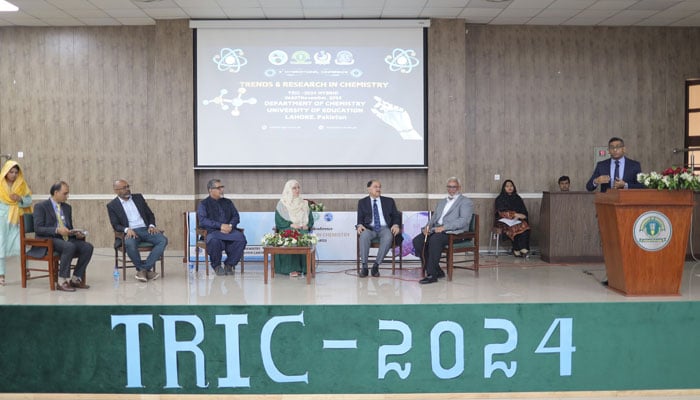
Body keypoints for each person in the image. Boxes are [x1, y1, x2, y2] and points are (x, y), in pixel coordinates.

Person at [33, 181, 93, 292]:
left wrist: (75, 233)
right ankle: (62, 281)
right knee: (69, 246)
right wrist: (57, 230)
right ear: (56, 192)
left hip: (66, 239)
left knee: (88, 247)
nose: (67, 196)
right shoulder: (40, 206)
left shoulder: (67, 207)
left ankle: (75, 279)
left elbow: (68, 226)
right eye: (65, 193)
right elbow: (38, 228)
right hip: (49, 239)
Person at [412, 177, 473, 284]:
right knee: (417, 241)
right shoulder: (442, 202)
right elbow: (434, 218)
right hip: (436, 229)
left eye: (454, 187)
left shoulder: (465, 202)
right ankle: (437, 270)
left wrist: (444, 227)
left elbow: (463, 221)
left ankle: (432, 275)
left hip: (454, 232)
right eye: (449, 187)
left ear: (459, 187)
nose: (451, 189)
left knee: (435, 240)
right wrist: (427, 227)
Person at [107, 179, 168, 282]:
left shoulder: (138, 198)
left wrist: (152, 225)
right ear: (116, 190)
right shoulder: (112, 205)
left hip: (146, 229)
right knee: (129, 243)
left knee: (163, 240)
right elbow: (115, 225)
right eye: (124, 188)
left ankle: (143, 269)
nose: (127, 189)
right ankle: (145, 270)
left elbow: (150, 214)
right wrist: (126, 229)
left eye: (128, 186)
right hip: (131, 232)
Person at [197, 179, 247, 276]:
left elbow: (236, 216)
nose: (221, 190)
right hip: (213, 232)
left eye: (222, 187)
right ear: (210, 190)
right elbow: (203, 220)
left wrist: (230, 226)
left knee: (241, 239)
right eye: (218, 188)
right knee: (214, 241)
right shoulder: (203, 204)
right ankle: (217, 266)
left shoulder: (227, 202)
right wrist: (220, 226)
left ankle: (229, 264)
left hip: (229, 231)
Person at [356, 179, 403, 278]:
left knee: (388, 237)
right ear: (369, 189)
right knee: (363, 236)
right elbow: (360, 218)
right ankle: (364, 267)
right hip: (369, 228)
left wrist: (396, 225)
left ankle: (376, 266)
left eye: (379, 187)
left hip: (385, 228)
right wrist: (359, 225)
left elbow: (396, 215)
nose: (378, 189)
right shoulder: (362, 202)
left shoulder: (389, 201)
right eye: (375, 187)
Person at [0, 160, 33, 286]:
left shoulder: (21, 184)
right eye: (11, 172)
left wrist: (20, 199)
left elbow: (29, 201)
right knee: (1, 245)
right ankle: (1, 274)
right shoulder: (0, 184)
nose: (14, 175)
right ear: (5, 172)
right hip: (2, 220)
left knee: (21, 245)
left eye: (16, 172)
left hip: (17, 220)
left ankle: (26, 270)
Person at [274, 179, 315, 277]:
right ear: (288, 190)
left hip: (301, 228)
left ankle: (305, 268)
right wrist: (290, 224)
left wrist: (307, 225)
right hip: (287, 228)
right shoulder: (282, 204)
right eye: (294, 188)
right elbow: (279, 221)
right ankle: (291, 268)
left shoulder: (304, 203)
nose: (297, 190)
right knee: (291, 236)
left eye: (298, 188)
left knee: (303, 236)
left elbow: (310, 220)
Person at [495, 179, 531, 257]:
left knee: (525, 225)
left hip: (517, 220)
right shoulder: (500, 199)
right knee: (515, 227)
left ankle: (522, 248)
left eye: (511, 186)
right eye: (507, 186)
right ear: (504, 188)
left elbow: (524, 211)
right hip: (503, 221)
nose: (510, 188)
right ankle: (517, 248)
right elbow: (501, 212)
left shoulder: (518, 198)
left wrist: (522, 215)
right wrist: (514, 215)